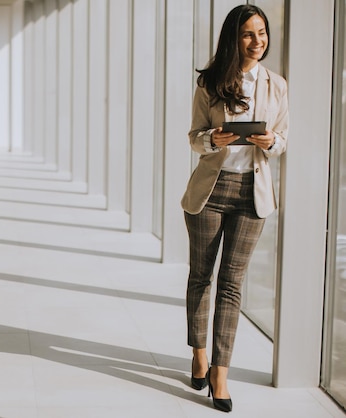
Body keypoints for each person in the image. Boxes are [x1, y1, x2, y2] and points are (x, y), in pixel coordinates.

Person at [181, 4, 288, 413]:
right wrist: (215, 139)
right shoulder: (210, 83)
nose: (257, 41)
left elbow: (283, 140)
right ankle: (199, 353)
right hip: (209, 191)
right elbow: (194, 137)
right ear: (233, 38)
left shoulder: (276, 85)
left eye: (261, 33)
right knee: (201, 277)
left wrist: (269, 143)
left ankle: (221, 373)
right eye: (248, 34)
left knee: (232, 284)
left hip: (252, 193)